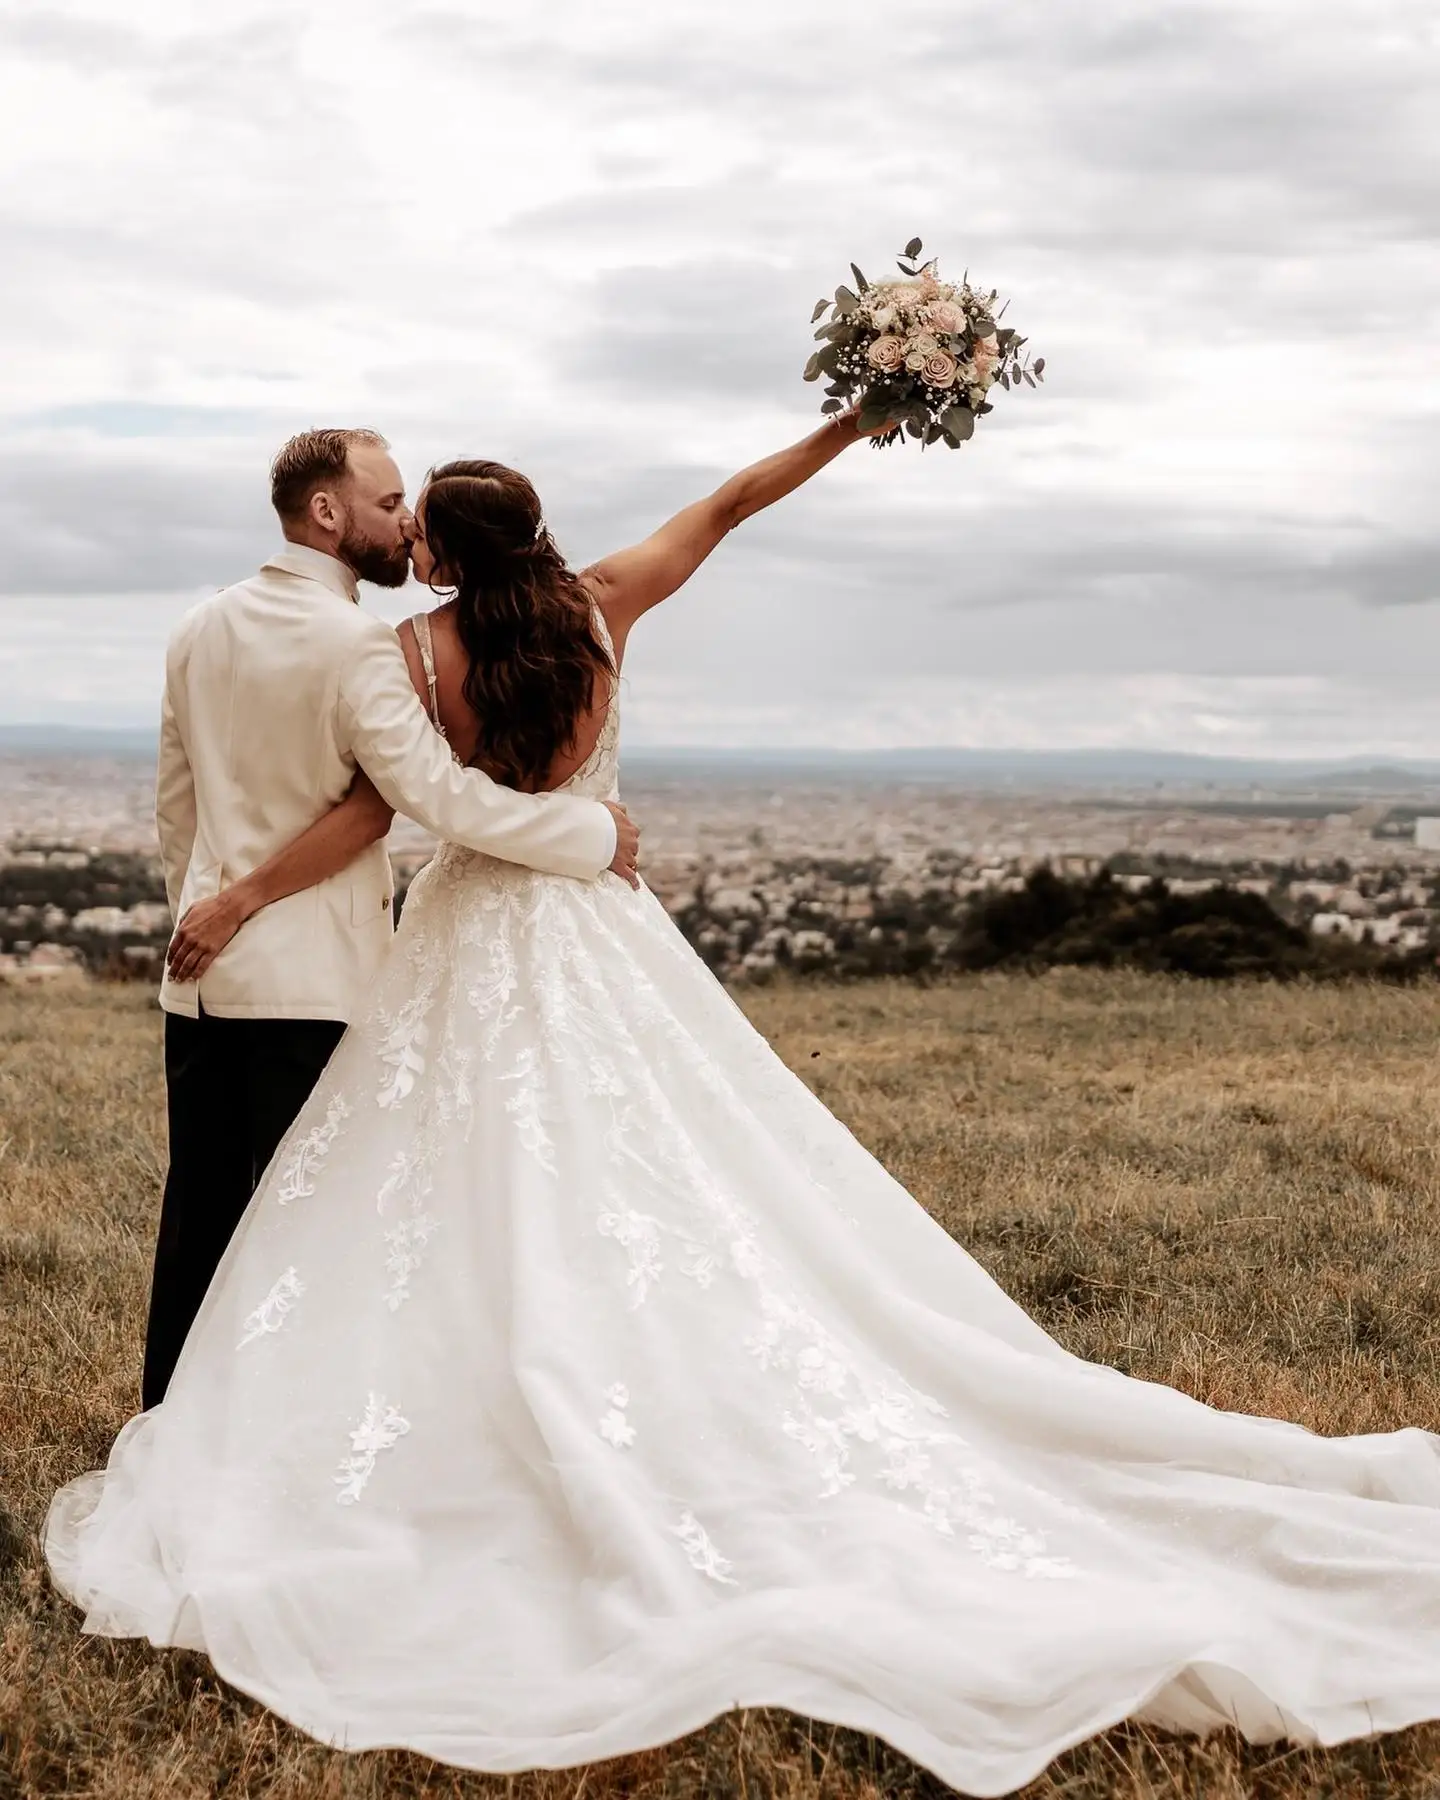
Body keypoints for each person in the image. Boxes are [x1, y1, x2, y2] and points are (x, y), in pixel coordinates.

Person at [47, 413, 1440, 1798]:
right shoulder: (605, 608)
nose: (400, 529)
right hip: (599, 929)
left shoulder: (407, 653)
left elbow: (396, 808)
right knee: (672, 1171)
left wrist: (238, 888)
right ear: (536, 533)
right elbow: (731, 502)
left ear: (445, 562)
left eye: (416, 521)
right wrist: (862, 413)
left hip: (466, 940)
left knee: (434, 1191)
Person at [142, 426, 639, 1410]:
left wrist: (203, 918)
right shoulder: (359, 644)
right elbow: (440, 798)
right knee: (307, 1229)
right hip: (312, 981)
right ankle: (273, 1427)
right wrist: (587, 834)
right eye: (385, 502)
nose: (404, 522)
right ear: (327, 512)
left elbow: (176, 808)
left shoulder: (200, 625)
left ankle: (167, 1424)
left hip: (200, 979)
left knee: (198, 1215)